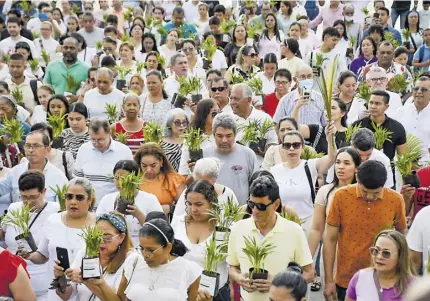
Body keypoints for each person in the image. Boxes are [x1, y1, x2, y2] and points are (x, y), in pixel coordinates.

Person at [323, 160, 407, 301]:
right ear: (357, 178)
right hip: (346, 279)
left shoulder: (395, 200)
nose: (369, 197)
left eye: (375, 193)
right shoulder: (341, 197)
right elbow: (330, 240)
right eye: (365, 191)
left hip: (385, 280)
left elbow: (402, 237)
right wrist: (329, 280)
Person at [227, 175, 314, 301]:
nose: (255, 211)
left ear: (276, 204)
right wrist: (239, 278)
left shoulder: (294, 231)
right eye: (251, 204)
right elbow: (232, 266)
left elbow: (309, 273)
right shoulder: (237, 228)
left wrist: (278, 284)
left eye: (261, 206)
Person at [23, 177, 96, 301]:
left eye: (79, 197)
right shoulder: (53, 220)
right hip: (57, 293)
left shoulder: (99, 224)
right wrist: (29, 255)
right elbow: (42, 256)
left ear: (90, 199)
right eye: (69, 196)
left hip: (88, 293)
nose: (73, 201)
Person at [0, 170, 59, 301]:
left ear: (44, 191)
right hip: (12, 279)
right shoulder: (13, 208)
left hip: (42, 280)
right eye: (24, 197)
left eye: (33, 197)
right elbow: (2, 235)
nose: (28, 202)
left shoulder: (56, 211)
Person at [55, 212, 137, 301]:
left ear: (121, 237)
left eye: (107, 237)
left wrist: (87, 281)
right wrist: (60, 279)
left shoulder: (131, 260)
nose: (100, 241)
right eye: (96, 236)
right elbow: (65, 296)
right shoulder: (86, 252)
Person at [172, 180, 231, 300]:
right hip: (182, 292)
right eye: (189, 204)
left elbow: (234, 262)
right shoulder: (178, 222)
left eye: (198, 204)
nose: (193, 209)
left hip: (216, 294)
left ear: (212, 203)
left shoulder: (224, 227)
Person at [271, 124, 336, 227]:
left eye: (296, 145)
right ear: (282, 148)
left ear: (303, 148)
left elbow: (331, 158)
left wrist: (331, 139)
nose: (291, 149)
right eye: (287, 145)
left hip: (308, 223)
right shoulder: (274, 171)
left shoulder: (310, 165)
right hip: (283, 224)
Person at [97, 160, 163, 246]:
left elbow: (159, 230)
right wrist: (112, 219)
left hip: (141, 249)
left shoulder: (150, 199)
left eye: (124, 179)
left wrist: (138, 214)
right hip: (114, 249)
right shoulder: (107, 199)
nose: (120, 182)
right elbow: (97, 226)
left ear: (136, 179)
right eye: (117, 178)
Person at [74, 118, 133, 208]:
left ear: (109, 134)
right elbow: (78, 180)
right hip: (88, 207)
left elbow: (130, 182)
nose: (97, 143)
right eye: (93, 140)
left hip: (114, 207)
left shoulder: (124, 151)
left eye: (101, 140)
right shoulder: (83, 149)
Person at [0, 131, 68, 202]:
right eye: (28, 146)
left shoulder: (59, 177)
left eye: (36, 146)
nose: (31, 150)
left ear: (47, 149)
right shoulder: (15, 172)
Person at [346, 230, 413, 301]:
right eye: (376, 250)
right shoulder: (360, 278)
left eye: (386, 253)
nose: (379, 257)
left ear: (400, 256)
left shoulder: (414, 286)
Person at [351, 90, 406, 163]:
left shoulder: (397, 127)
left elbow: (402, 157)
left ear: (386, 107)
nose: (373, 106)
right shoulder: (357, 126)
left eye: (377, 104)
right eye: (371, 103)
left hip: (387, 170)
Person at [136, 142, 185, 214]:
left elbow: (184, 206)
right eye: (144, 166)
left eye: (153, 166)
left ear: (161, 162)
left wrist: (170, 208)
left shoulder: (173, 180)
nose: (148, 170)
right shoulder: (133, 180)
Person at [178, 99, 219, 177]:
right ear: (203, 115)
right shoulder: (192, 138)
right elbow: (183, 172)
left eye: (219, 113)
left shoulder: (223, 135)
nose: (218, 116)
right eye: (214, 113)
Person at [396, 76, 430, 164]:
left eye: (424, 90)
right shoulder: (401, 111)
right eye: (416, 88)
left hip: (426, 165)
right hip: (401, 163)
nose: (419, 92)